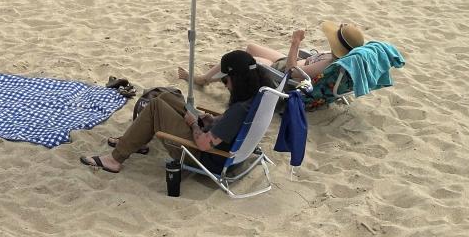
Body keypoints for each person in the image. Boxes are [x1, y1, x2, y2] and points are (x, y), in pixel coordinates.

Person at [80, 50, 265, 174]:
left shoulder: (238, 111)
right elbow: (230, 124)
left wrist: (194, 123)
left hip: (206, 158)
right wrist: (214, 120)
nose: (225, 85)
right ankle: (134, 139)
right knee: (166, 98)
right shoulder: (255, 97)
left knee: (155, 107)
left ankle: (115, 159)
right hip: (218, 146)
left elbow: (203, 145)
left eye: (225, 81)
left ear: (237, 79)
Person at [177, 22, 365, 87]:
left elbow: (293, 71)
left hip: (282, 74)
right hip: (288, 63)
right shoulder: (336, 56)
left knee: (241, 58)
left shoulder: (327, 64)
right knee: (250, 47)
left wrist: (295, 44)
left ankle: (203, 79)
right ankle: (218, 73)